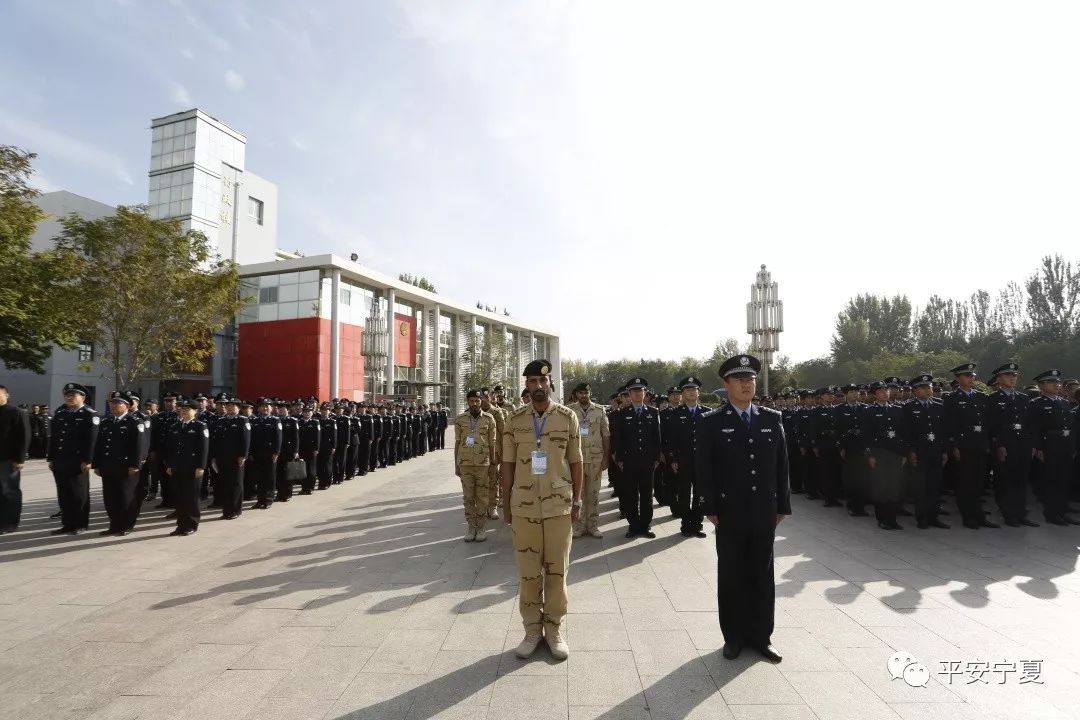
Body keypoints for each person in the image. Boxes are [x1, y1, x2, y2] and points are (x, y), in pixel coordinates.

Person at [696, 354, 789, 663]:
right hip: (730, 511)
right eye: (740, 379)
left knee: (763, 574)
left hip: (764, 510)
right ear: (726, 385)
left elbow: (781, 466)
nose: (747, 384)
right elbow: (704, 468)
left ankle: (762, 636)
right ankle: (734, 636)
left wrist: (783, 505)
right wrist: (708, 505)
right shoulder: (712, 422)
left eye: (750, 379)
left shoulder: (771, 418)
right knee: (733, 574)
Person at [501, 359, 582, 661]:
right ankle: (532, 629)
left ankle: (555, 628)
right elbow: (507, 464)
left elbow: (576, 461)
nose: (537, 387)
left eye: (542, 382)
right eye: (531, 382)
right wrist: (504, 501)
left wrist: (577, 501)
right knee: (528, 572)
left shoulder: (567, 417)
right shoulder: (514, 419)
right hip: (523, 506)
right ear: (526, 385)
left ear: (551, 384)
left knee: (557, 571)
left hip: (559, 505)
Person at [943, 362, 998, 529]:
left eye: (972, 375)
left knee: (979, 482)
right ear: (958, 379)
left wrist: (988, 443)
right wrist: (954, 446)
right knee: (965, 483)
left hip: (980, 445)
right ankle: (968, 516)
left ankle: (979, 515)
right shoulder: (952, 399)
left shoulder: (981, 397)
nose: (971, 378)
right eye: (967, 376)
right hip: (963, 446)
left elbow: (988, 423)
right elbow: (949, 425)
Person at [986, 363, 1039, 527]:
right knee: (1006, 481)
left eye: (1014, 375)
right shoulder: (993, 399)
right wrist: (999, 445)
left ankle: (1021, 513)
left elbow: (1030, 424)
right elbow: (992, 425)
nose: (1012, 378)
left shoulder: (1023, 398)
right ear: (1000, 378)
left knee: (1021, 480)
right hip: (1005, 445)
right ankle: (1009, 513)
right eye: (1008, 375)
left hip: (1022, 444)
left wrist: (1032, 445)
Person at [611, 377, 662, 538]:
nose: (638, 393)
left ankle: (645, 526)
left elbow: (657, 437)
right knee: (630, 495)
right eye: (634, 391)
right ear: (629, 394)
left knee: (647, 495)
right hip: (629, 461)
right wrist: (619, 459)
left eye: (640, 390)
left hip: (648, 462)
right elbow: (618, 438)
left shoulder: (653, 413)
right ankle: (633, 526)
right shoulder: (622, 414)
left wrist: (656, 458)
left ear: (645, 393)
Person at [1027, 369, 1079, 525]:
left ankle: (1062, 511)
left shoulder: (1063, 402)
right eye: (1053, 382)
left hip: (1065, 445)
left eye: (1057, 382)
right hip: (1049, 445)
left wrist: (1073, 446)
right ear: (1042, 385)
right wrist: (1038, 448)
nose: (1057, 385)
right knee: (1051, 480)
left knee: (1063, 480)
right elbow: (1033, 428)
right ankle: (1052, 513)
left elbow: (1070, 425)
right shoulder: (1036, 404)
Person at [47, 383, 99, 535]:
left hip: (78, 461)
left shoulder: (90, 414)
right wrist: (51, 458)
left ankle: (80, 524)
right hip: (61, 460)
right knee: (63, 494)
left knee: (78, 494)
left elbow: (92, 440)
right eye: (67, 395)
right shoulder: (61, 413)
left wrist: (88, 460)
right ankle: (67, 524)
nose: (69, 397)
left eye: (73, 395)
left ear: (82, 397)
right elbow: (55, 438)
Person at [92, 391, 146, 536]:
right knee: (110, 498)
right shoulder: (106, 422)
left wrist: (135, 465)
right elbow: (99, 445)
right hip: (108, 466)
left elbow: (138, 446)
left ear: (127, 406)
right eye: (112, 403)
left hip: (126, 467)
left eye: (118, 403)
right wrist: (96, 464)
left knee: (126, 497)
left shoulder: (135, 422)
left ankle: (127, 525)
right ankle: (114, 525)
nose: (114, 406)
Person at [902, 374, 949, 529]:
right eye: (923, 388)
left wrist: (944, 451)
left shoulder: (939, 405)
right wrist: (911, 451)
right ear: (915, 390)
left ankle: (933, 517)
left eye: (929, 387)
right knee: (920, 488)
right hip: (919, 453)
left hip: (935, 451)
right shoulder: (908, 407)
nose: (928, 390)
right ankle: (921, 518)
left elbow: (943, 431)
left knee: (934, 486)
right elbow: (906, 433)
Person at [666, 376, 707, 538]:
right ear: (682, 393)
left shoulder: (706, 413)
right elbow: (671, 439)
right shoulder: (675, 413)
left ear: (698, 392)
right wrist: (673, 459)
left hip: (702, 461)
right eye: (687, 390)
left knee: (700, 494)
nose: (691, 392)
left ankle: (697, 525)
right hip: (683, 461)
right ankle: (685, 524)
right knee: (683, 494)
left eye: (694, 389)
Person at [454, 389, 497, 542]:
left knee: (482, 497)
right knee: (468, 497)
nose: (474, 403)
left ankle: (481, 528)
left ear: (482, 402)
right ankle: (471, 527)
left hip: (483, 464)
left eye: (477, 401)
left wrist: (493, 463)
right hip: (465, 464)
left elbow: (492, 443)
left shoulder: (489, 419)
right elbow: (458, 442)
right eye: (471, 401)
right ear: (467, 401)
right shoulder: (460, 419)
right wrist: (456, 464)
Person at [569, 382, 609, 538]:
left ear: (589, 393)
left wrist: (606, 457)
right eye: (580, 393)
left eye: (586, 392)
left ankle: (593, 526)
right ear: (576, 395)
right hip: (576, 459)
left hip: (595, 459)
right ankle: (578, 526)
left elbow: (606, 434)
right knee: (577, 495)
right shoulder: (570, 411)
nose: (583, 396)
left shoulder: (600, 410)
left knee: (593, 494)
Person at [165, 398, 209, 536]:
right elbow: (171, 448)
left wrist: (201, 467)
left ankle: (191, 524)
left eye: (187, 410)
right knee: (180, 497)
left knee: (191, 497)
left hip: (193, 467)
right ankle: (181, 524)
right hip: (178, 467)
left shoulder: (200, 426)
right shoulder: (175, 426)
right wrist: (170, 465)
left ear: (195, 411)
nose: (183, 412)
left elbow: (204, 449)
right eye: (182, 409)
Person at [211, 397, 250, 519]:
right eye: (228, 406)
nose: (230, 408)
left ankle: (235, 510)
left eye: (233, 406)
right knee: (225, 484)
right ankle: (226, 510)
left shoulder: (243, 421)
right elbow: (216, 440)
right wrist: (214, 456)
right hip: (222, 457)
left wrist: (243, 455)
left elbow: (246, 440)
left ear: (238, 408)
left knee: (236, 484)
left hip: (236, 457)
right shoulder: (221, 420)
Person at [0, 385, 31, 534]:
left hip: (8, 460)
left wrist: (20, 459)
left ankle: (10, 523)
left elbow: (24, 436)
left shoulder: (16, 412)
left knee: (9, 491)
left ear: (7, 395)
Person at [249, 398, 282, 508]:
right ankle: (260, 500)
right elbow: (252, 438)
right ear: (258, 408)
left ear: (271, 408)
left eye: (267, 406)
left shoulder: (275, 420)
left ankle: (268, 500)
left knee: (269, 477)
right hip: (257, 453)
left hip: (270, 454)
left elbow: (278, 438)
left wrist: (276, 452)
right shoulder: (254, 421)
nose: (265, 408)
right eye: (263, 406)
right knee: (259, 477)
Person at [297, 402, 321, 494]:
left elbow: (318, 437)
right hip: (302, 449)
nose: (307, 413)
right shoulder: (299, 422)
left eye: (309, 412)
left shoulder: (315, 422)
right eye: (305, 412)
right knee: (303, 469)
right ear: (303, 412)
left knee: (311, 469)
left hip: (312, 449)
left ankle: (310, 487)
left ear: (312, 413)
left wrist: (316, 449)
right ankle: (304, 488)